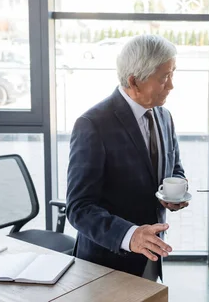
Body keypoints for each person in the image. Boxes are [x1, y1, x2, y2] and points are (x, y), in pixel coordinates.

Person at [66, 35, 188, 282]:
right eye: (164, 77)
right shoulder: (92, 125)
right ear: (135, 81)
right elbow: (79, 208)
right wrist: (130, 236)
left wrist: (174, 193)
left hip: (150, 255)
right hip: (106, 264)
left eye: (172, 74)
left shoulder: (164, 116)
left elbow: (174, 168)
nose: (171, 85)